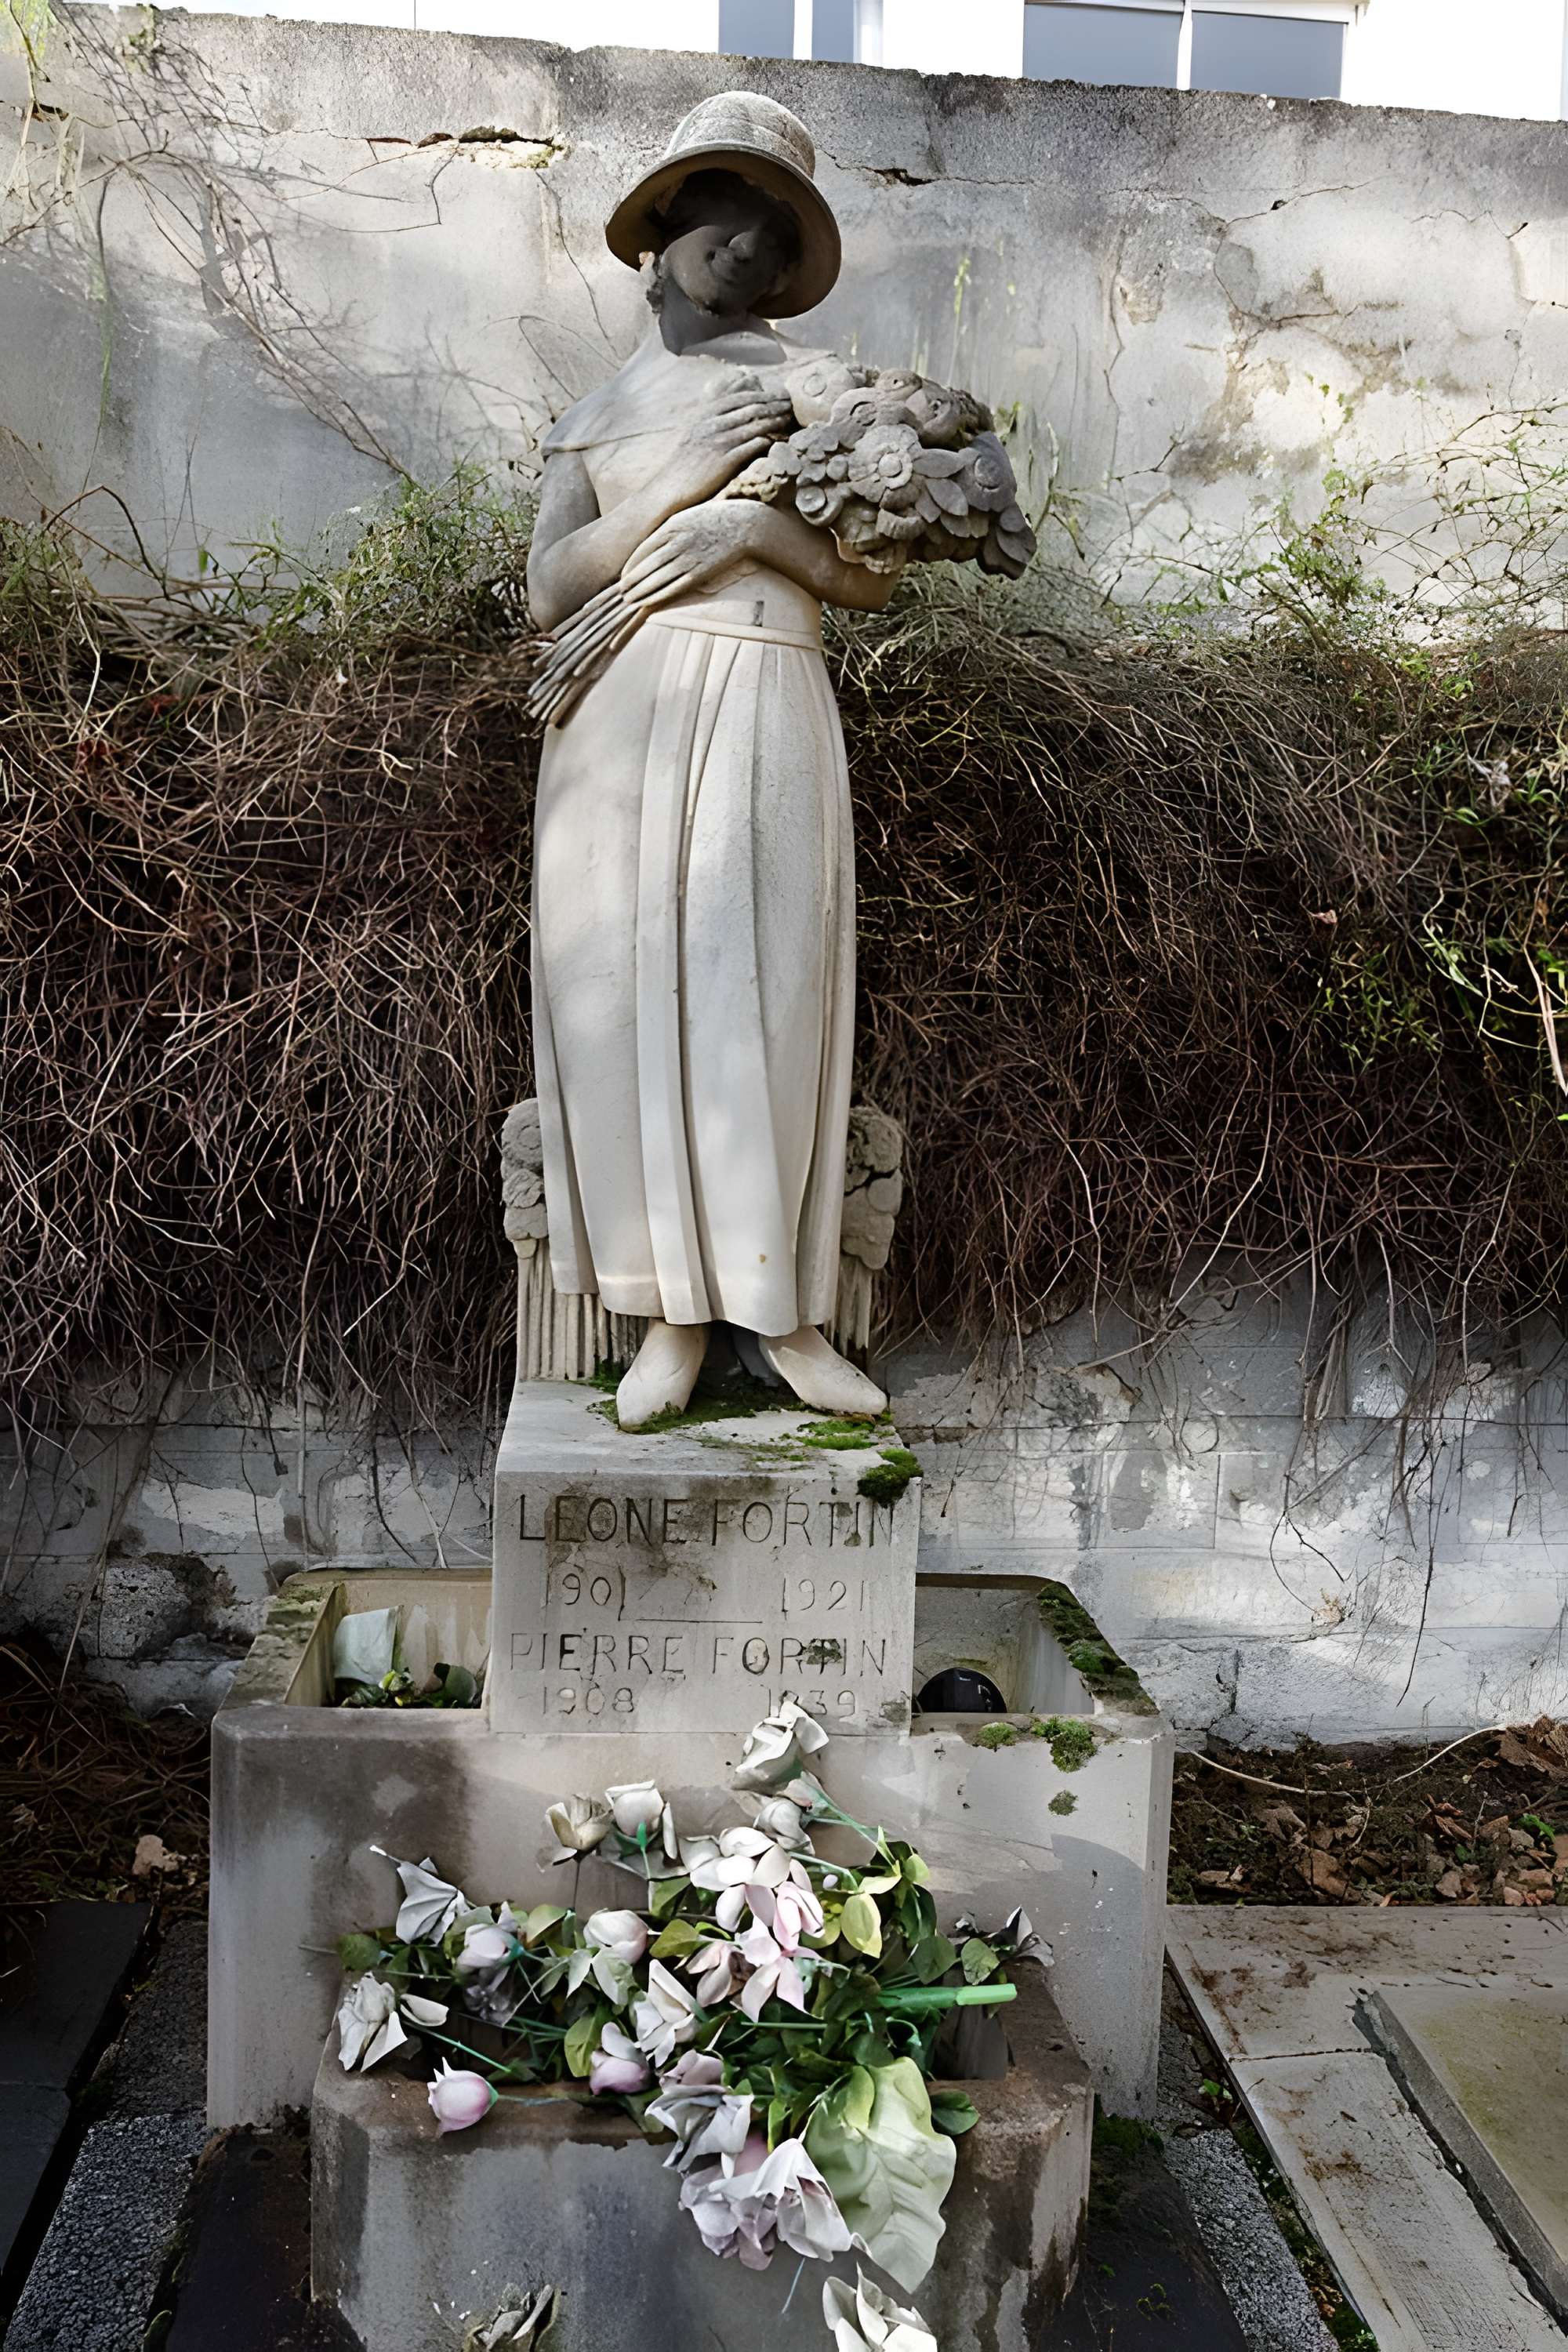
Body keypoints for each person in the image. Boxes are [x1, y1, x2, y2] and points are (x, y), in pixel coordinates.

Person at [526, 93, 892, 1431]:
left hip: (760, 696)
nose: (741, 242)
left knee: (765, 997)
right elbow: (548, 585)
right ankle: (668, 1316)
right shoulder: (600, 409)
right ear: (663, 228)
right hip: (615, 714)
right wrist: (674, 482)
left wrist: (750, 540)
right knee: (626, 1006)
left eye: (771, 223)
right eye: (717, 210)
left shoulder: (822, 389)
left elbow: (865, 579)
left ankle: (779, 1315)